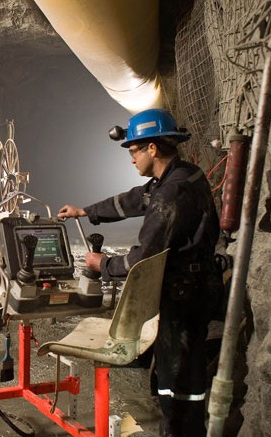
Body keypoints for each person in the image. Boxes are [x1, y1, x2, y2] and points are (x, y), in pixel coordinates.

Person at [58, 108, 223, 436]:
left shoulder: (172, 195)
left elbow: (141, 260)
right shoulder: (183, 175)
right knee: (174, 372)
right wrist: (87, 211)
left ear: (152, 148)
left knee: (178, 381)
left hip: (185, 297)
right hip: (192, 288)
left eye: (134, 150)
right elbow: (134, 200)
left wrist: (102, 264)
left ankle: (180, 429)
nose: (131, 158)